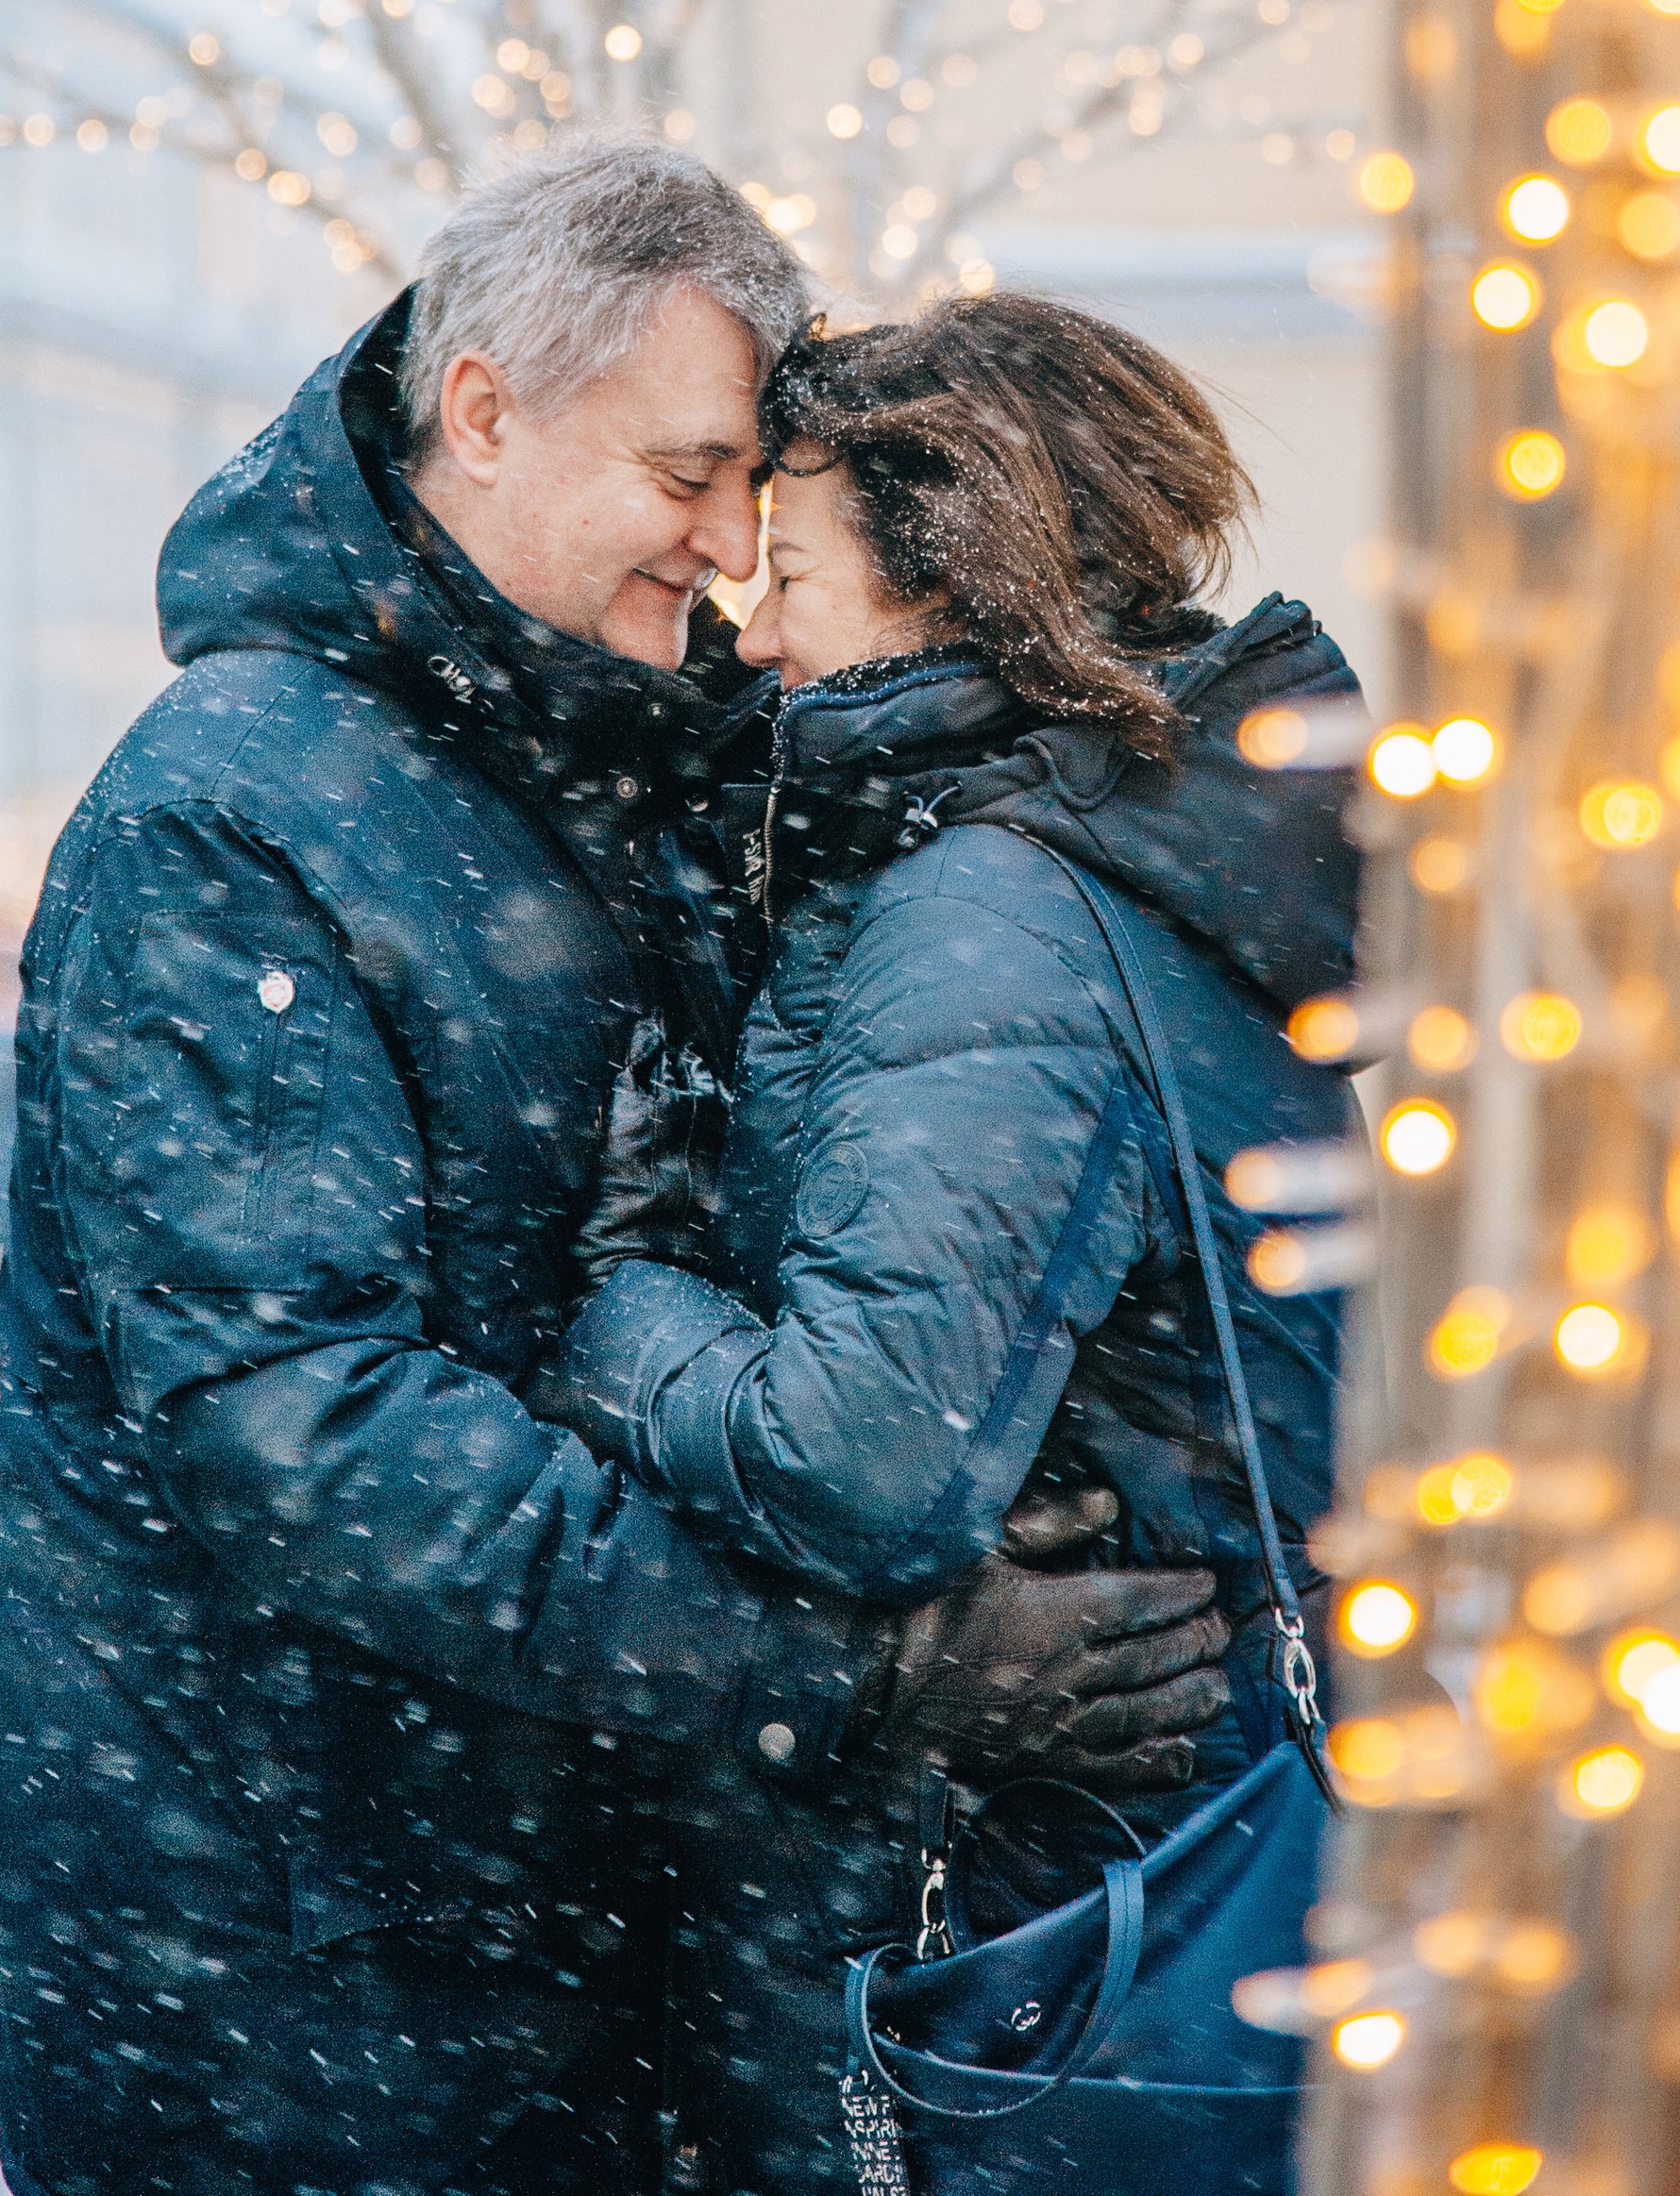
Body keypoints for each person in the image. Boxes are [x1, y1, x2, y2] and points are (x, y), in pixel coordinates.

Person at [0, 146, 1230, 2196]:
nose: (733, 542)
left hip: (607, 1920)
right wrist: (853, 1672)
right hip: (314, 1964)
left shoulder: (636, 748)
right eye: (685, 472)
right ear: (481, 409)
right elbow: (301, 1427)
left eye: (751, 484)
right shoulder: (226, 819)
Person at [546, 293, 1363, 2194]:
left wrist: (612, 1303)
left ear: (951, 569)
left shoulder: (993, 896)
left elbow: (866, 1455)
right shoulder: (1185, 823)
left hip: (1081, 1883)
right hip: (1219, 1805)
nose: (749, 630)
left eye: (795, 569)